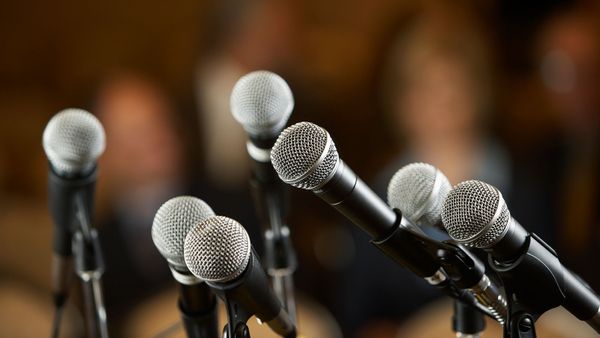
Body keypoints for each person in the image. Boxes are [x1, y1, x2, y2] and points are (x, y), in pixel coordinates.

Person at [336, 4, 512, 337]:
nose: (442, 105)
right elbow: (359, 311)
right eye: (427, 89)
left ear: (479, 92)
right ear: (402, 102)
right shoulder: (373, 197)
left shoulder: (520, 188)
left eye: (454, 88)